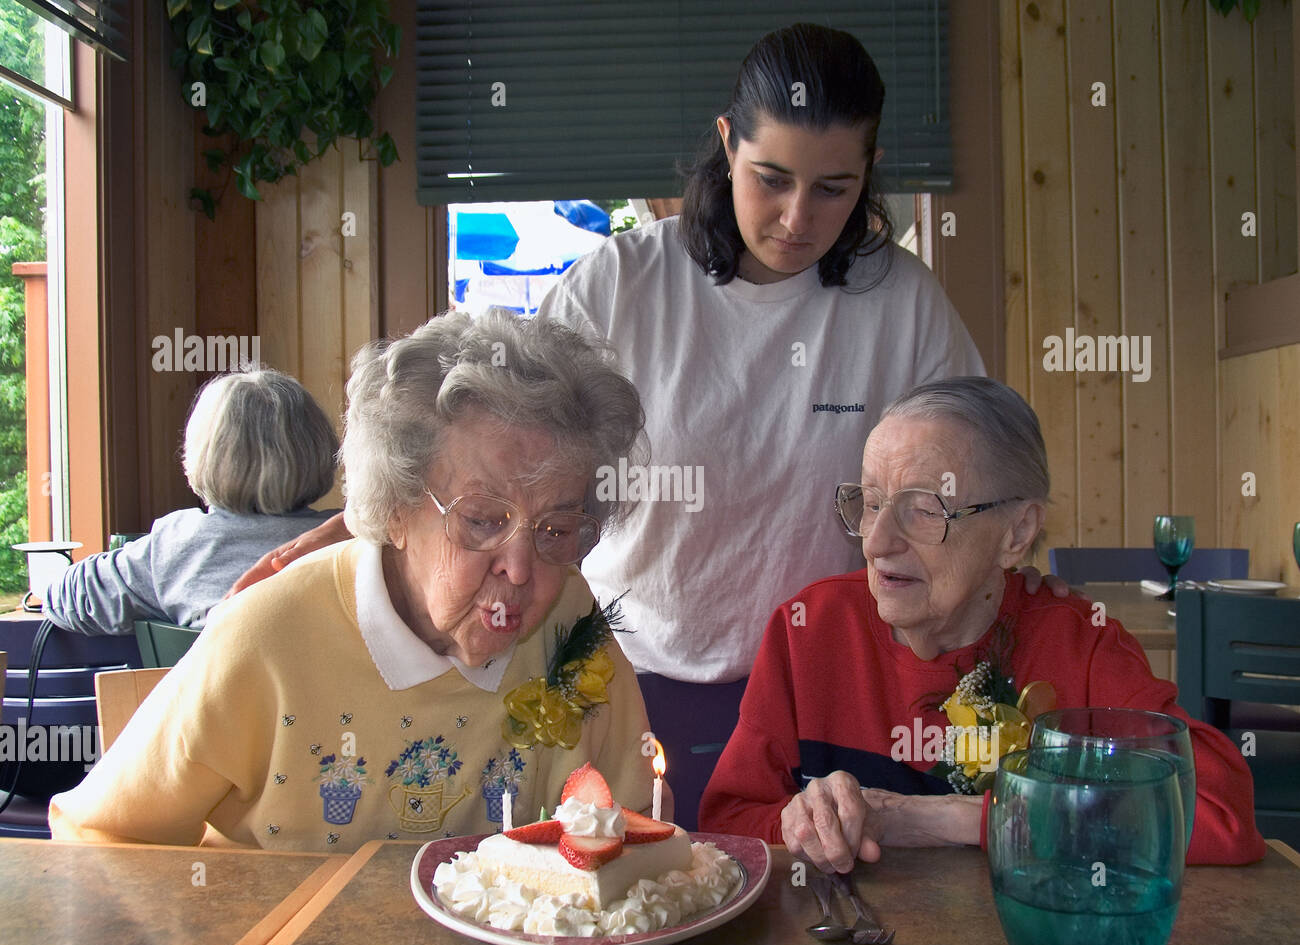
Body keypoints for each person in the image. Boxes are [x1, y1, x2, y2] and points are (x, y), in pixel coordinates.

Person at [230, 24, 1063, 827]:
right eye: (770, 177)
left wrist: (1031, 593)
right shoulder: (622, 283)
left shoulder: (904, 304)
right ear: (727, 142)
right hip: (630, 673)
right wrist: (355, 526)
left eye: (833, 188)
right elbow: (470, 427)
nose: (797, 217)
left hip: (824, 691)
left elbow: (980, 474)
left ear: (870, 172)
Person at [48, 311, 660, 852]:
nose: (522, 570)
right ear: (394, 507)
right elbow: (100, 842)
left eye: (555, 529)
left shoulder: (569, 620)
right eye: (481, 520)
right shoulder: (266, 636)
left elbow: (631, 827)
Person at [697, 377, 1266, 867]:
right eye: (870, 502)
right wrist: (800, 826)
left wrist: (955, 819)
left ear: (1016, 533)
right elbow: (729, 820)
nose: (876, 542)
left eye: (924, 510)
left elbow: (1221, 818)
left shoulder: (1077, 645)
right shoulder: (808, 630)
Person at [42, 369, 339, 636]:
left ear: (204, 456)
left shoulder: (176, 544)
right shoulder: (354, 540)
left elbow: (68, 598)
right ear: (319, 448)